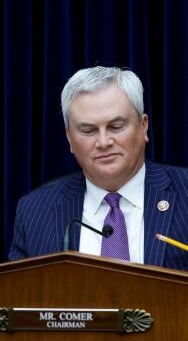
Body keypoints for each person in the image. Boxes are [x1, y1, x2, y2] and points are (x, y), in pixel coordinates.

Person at [10, 66, 188, 270]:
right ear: (69, 137)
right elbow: (20, 297)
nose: (103, 142)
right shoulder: (35, 211)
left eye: (116, 127)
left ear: (143, 126)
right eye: (88, 130)